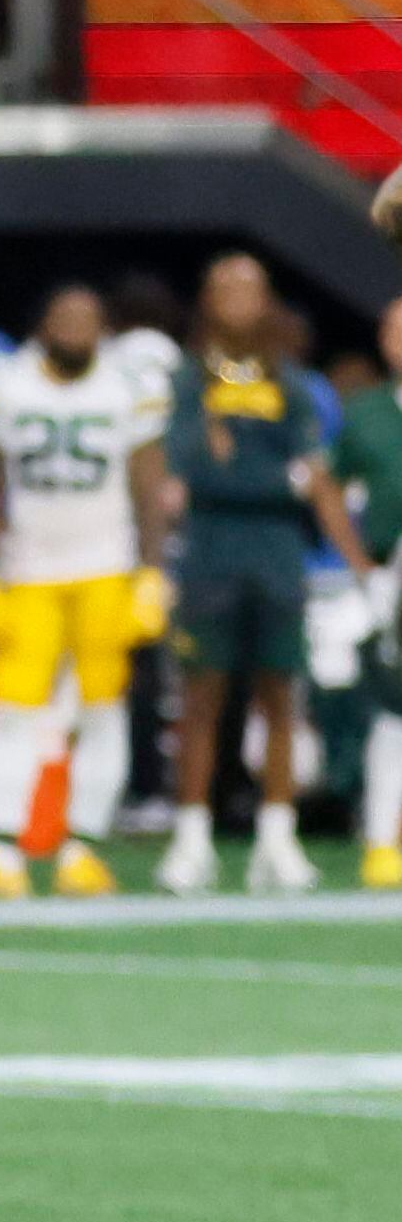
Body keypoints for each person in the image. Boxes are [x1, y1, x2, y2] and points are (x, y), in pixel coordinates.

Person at [154, 252, 371, 894]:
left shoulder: (292, 383)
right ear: (207, 299)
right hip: (211, 554)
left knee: (280, 696)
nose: (238, 299)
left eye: (250, 287)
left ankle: (278, 839)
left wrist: (358, 565)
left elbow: (312, 476)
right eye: (225, 286)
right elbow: (191, 470)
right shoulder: (189, 379)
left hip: (277, 557)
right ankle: (192, 839)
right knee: (202, 699)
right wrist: (267, 479)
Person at [0, 282, 168, 898]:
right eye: (64, 317)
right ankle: (2, 853)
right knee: (15, 713)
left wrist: (151, 570)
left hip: (105, 567)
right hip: (30, 570)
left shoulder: (130, 384)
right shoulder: (6, 382)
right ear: (42, 324)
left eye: (88, 317)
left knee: (102, 710)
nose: (75, 328)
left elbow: (147, 485)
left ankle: (83, 849)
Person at [329, 297, 402, 883]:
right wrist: (361, 565)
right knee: (393, 708)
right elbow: (327, 483)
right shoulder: (369, 412)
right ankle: (382, 838)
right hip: (393, 565)